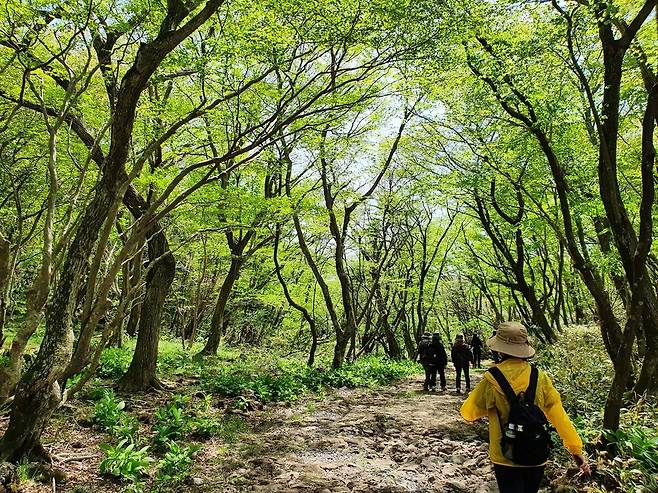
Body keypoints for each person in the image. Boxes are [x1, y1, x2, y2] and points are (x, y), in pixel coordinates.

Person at [460, 322, 590, 493]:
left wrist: (493, 408)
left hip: (505, 456)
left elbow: (468, 413)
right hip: (536, 453)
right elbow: (559, 416)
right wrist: (576, 451)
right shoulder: (540, 378)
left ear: (500, 349)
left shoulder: (491, 379)